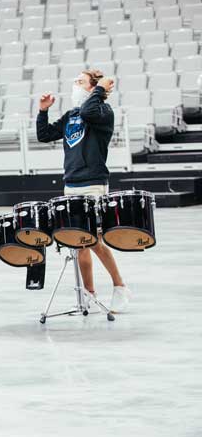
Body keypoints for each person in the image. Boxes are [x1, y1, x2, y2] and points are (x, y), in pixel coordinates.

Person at [36, 68, 131, 313]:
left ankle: (120, 286)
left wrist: (99, 91)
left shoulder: (102, 112)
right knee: (78, 243)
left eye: (80, 82)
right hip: (72, 183)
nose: (74, 86)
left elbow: (89, 110)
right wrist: (43, 111)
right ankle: (88, 293)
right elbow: (44, 135)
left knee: (96, 240)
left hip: (93, 183)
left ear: (92, 88)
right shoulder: (71, 115)